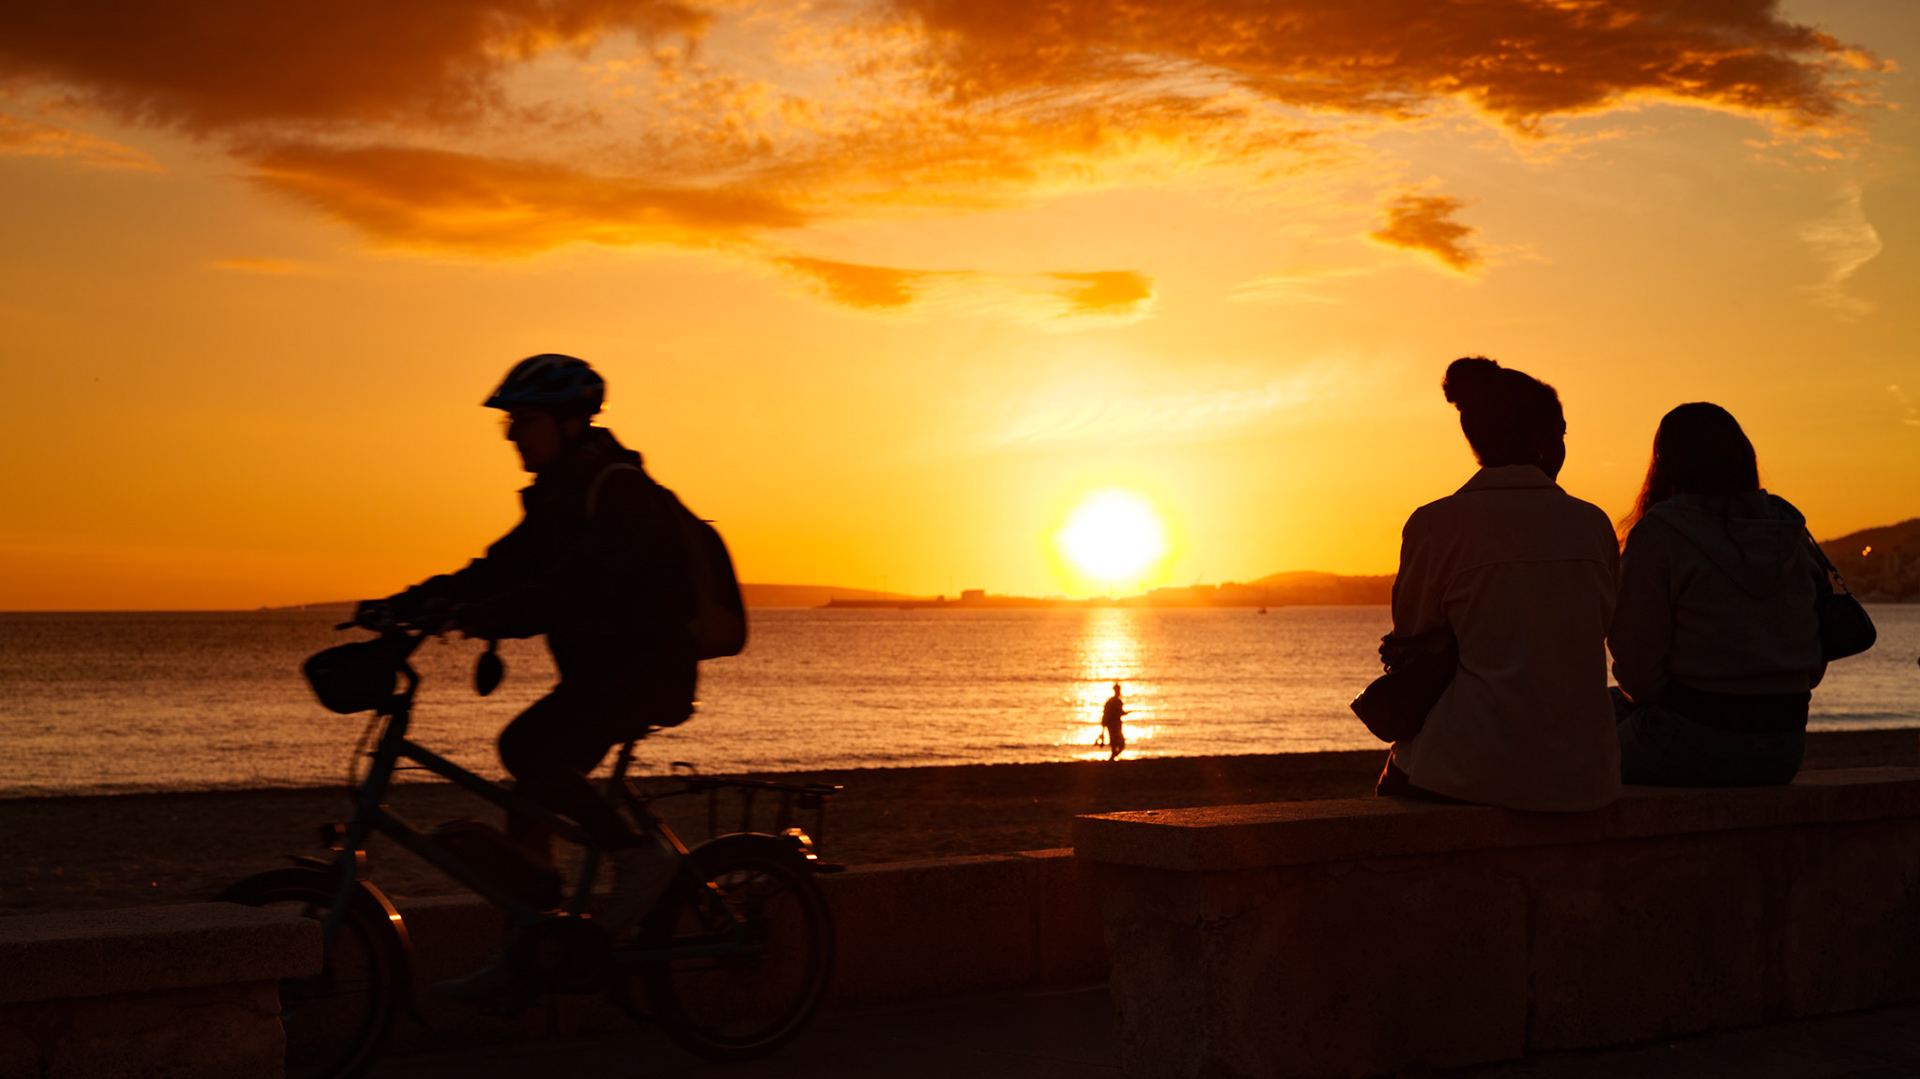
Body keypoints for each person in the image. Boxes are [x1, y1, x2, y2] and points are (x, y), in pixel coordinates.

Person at [357, 354, 695, 998]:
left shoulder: (619, 492)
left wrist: (492, 615)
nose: (512, 435)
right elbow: (499, 568)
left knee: (526, 748)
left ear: (570, 423)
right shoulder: (562, 498)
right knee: (529, 800)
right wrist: (410, 603)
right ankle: (533, 949)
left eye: (524, 421)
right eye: (509, 423)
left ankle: (637, 859)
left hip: (648, 674)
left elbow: (578, 584)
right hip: (602, 676)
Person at [1378, 356, 1620, 811]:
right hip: (1586, 776)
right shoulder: (1593, 524)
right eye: (1561, 435)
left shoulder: (1434, 525)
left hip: (1468, 770)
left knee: (1397, 780)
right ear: (1540, 440)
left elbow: (1413, 640)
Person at [1608, 403, 1828, 786]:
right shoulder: (1788, 532)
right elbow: (1815, 665)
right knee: (1601, 708)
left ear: (1665, 463)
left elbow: (1639, 676)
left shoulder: (1661, 533)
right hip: (1784, 748)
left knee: (1573, 744)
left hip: (1691, 741)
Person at [1101, 683, 1127, 760]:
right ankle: (1112, 759)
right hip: (1114, 725)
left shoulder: (1110, 701)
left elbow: (1106, 713)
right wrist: (1126, 713)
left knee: (1114, 743)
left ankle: (1112, 759)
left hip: (1111, 725)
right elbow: (1118, 713)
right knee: (1120, 744)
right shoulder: (1117, 701)